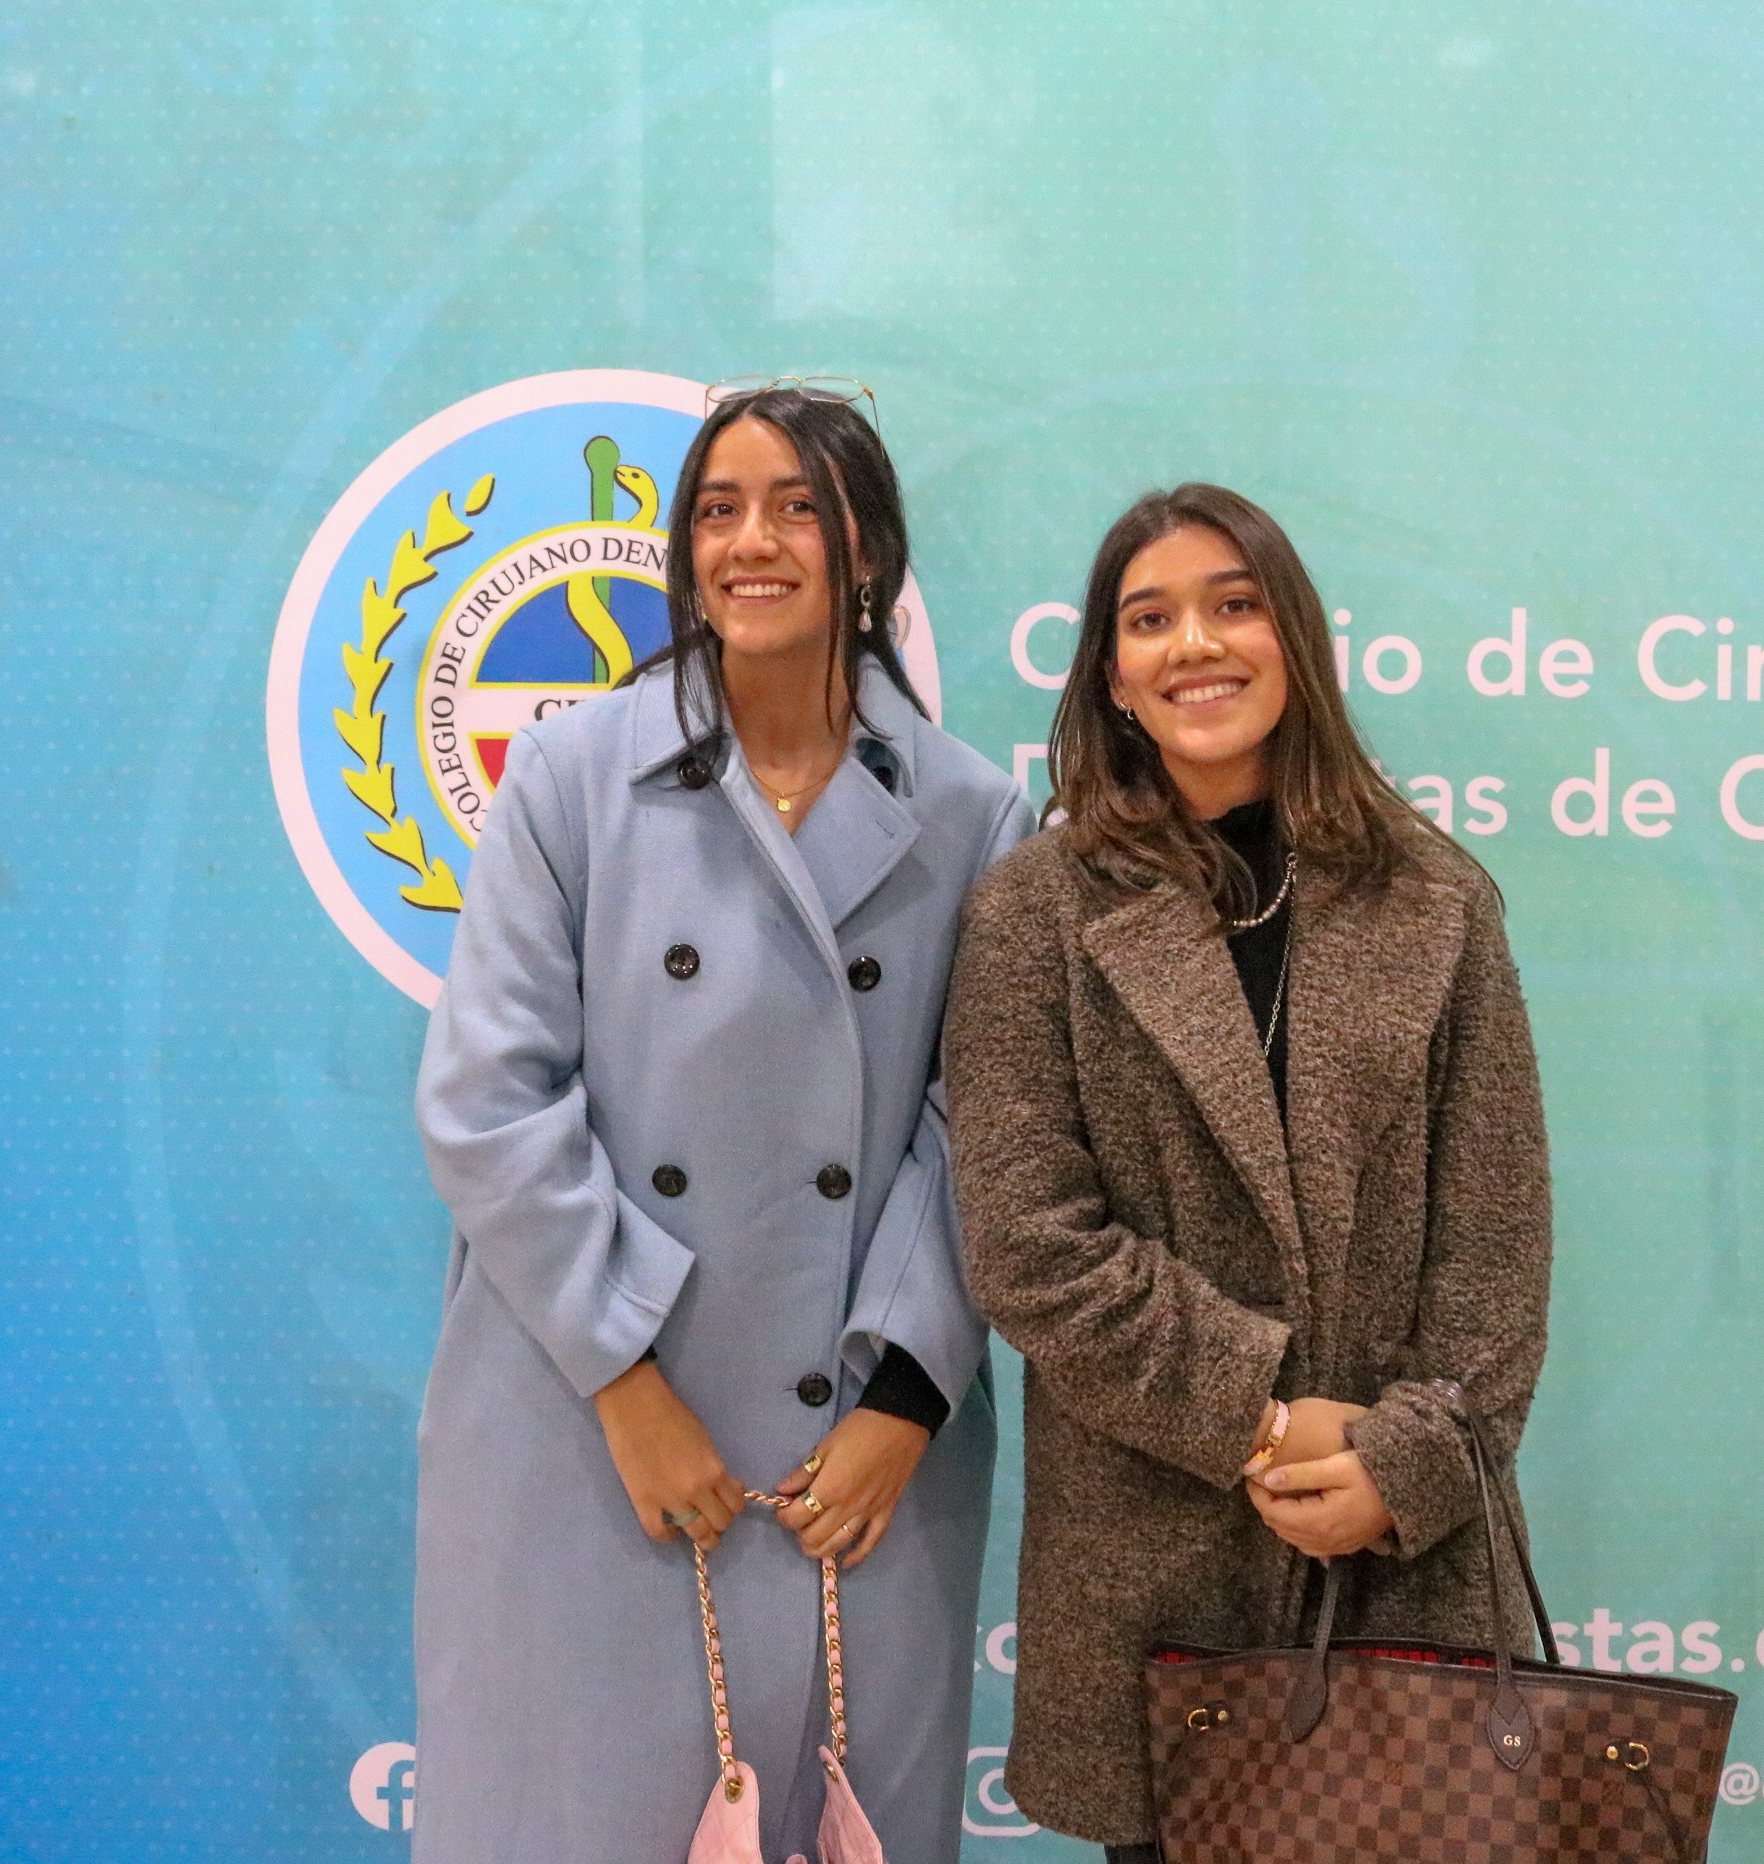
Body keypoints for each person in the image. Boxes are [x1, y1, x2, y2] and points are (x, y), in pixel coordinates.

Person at [411, 383, 1030, 1863]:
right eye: (718, 510)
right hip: (584, 1418)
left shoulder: (973, 814)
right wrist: (627, 1382)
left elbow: (992, 1133)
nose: (753, 541)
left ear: (867, 551)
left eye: (798, 508)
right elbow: (488, 1098)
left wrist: (900, 1406)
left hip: (853, 1462)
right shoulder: (573, 774)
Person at [943, 484, 1554, 1860]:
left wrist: (1402, 1463)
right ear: (1112, 677)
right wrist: (1265, 1422)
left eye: (1233, 605)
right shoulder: (1035, 912)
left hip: (1404, 1569)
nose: (1195, 645)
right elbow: (1032, 1248)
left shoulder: (1437, 898)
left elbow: (1496, 1245)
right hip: (1157, 1566)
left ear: (1295, 640)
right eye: (1149, 619)